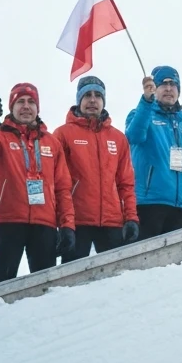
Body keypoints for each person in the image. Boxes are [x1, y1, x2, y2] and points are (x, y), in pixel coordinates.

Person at [0, 83, 75, 280]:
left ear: (38, 107)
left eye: (31, 102)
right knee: (0, 284)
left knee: (46, 285)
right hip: (7, 220)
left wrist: (67, 225)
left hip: (44, 222)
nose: (26, 106)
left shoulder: (52, 142)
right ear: (11, 107)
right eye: (20, 102)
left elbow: (63, 187)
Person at [54, 75, 139, 259]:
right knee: (74, 276)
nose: (93, 100)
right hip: (77, 222)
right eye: (87, 95)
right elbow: (57, 183)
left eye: (98, 95)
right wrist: (63, 223)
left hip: (112, 221)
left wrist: (131, 218)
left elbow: (126, 183)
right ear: (79, 100)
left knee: (117, 274)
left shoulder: (118, 138)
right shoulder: (62, 134)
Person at [125, 66, 182, 238]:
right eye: (163, 84)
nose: (169, 88)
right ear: (155, 88)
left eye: (173, 84)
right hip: (148, 205)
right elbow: (134, 136)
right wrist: (146, 101)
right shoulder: (141, 114)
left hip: (181, 208)